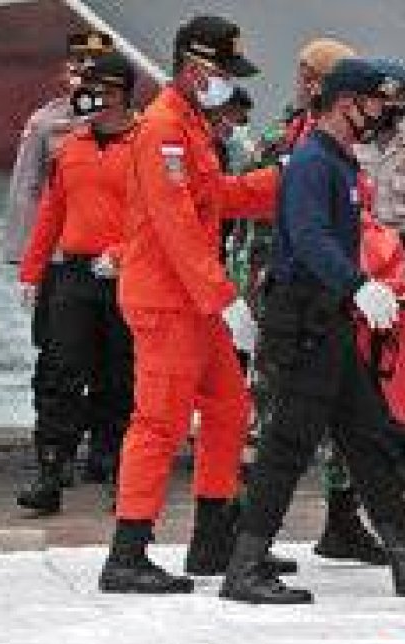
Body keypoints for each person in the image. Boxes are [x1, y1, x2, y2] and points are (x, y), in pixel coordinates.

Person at [220, 58, 405, 605]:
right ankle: (243, 567)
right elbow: (310, 239)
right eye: (375, 103)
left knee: (369, 437)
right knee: (287, 446)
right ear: (345, 105)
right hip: (307, 318)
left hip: (329, 319)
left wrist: (357, 290)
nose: (383, 114)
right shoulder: (315, 161)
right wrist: (359, 285)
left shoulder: (338, 161)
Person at [98, 15, 281, 594]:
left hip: (192, 301)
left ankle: (210, 540)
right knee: (159, 422)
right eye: (224, 72)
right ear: (196, 69)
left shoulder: (190, 128)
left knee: (229, 406)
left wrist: (282, 181)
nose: (229, 83)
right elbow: (175, 225)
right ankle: (126, 554)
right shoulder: (162, 131)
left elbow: (214, 198)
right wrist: (225, 298)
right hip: (168, 300)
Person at [15, 52, 138, 515]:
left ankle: (117, 467)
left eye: (105, 90)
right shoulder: (72, 146)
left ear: (124, 94)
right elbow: (51, 213)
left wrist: (124, 254)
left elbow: (158, 217)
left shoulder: (145, 145)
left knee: (121, 374)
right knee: (59, 370)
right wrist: (32, 273)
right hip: (73, 273)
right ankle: (50, 470)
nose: (95, 98)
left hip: (126, 275)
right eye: (91, 89)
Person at [5, 30, 116, 486]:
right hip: (58, 262)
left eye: (96, 65)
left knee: (114, 362)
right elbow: (26, 192)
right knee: (57, 362)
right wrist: (27, 266)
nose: (85, 73)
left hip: (112, 261)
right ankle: (56, 453)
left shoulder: (132, 125)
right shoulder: (46, 124)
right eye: (79, 64)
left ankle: (106, 451)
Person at [355, 57, 405, 495]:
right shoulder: (352, 144)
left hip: (400, 260)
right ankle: (357, 463)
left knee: (396, 364)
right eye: (392, 99)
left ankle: (397, 459)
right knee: (359, 363)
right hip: (358, 259)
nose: (397, 108)